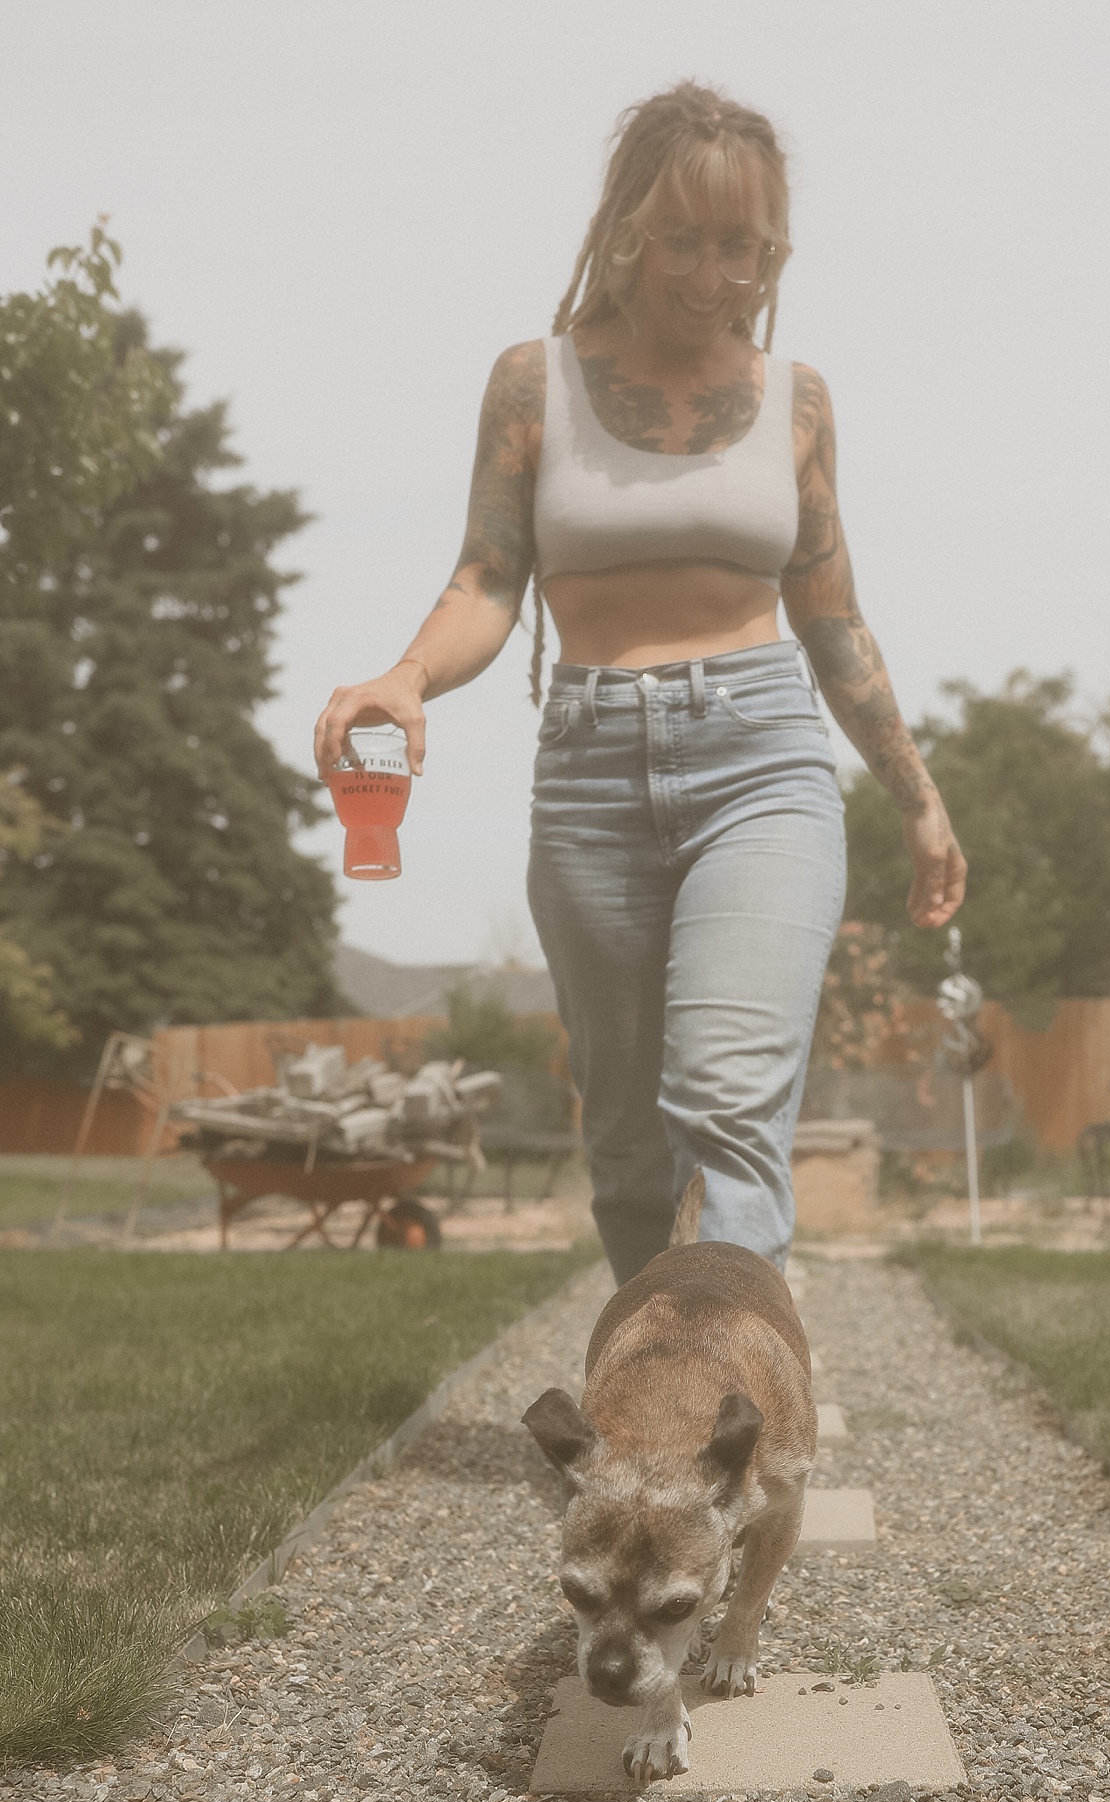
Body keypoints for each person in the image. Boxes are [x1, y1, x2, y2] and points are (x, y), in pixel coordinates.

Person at [315, 81, 965, 1283]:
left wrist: (917, 796)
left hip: (762, 760)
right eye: (686, 236)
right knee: (625, 1141)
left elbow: (832, 618)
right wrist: (407, 677)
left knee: (725, 1103)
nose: (714, 271)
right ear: (627, 226)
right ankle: (654, 1376)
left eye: (743, 243)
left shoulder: (797, 400)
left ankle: (721, 1406)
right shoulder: (533, 382)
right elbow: (487, 578)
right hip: (591, 774)